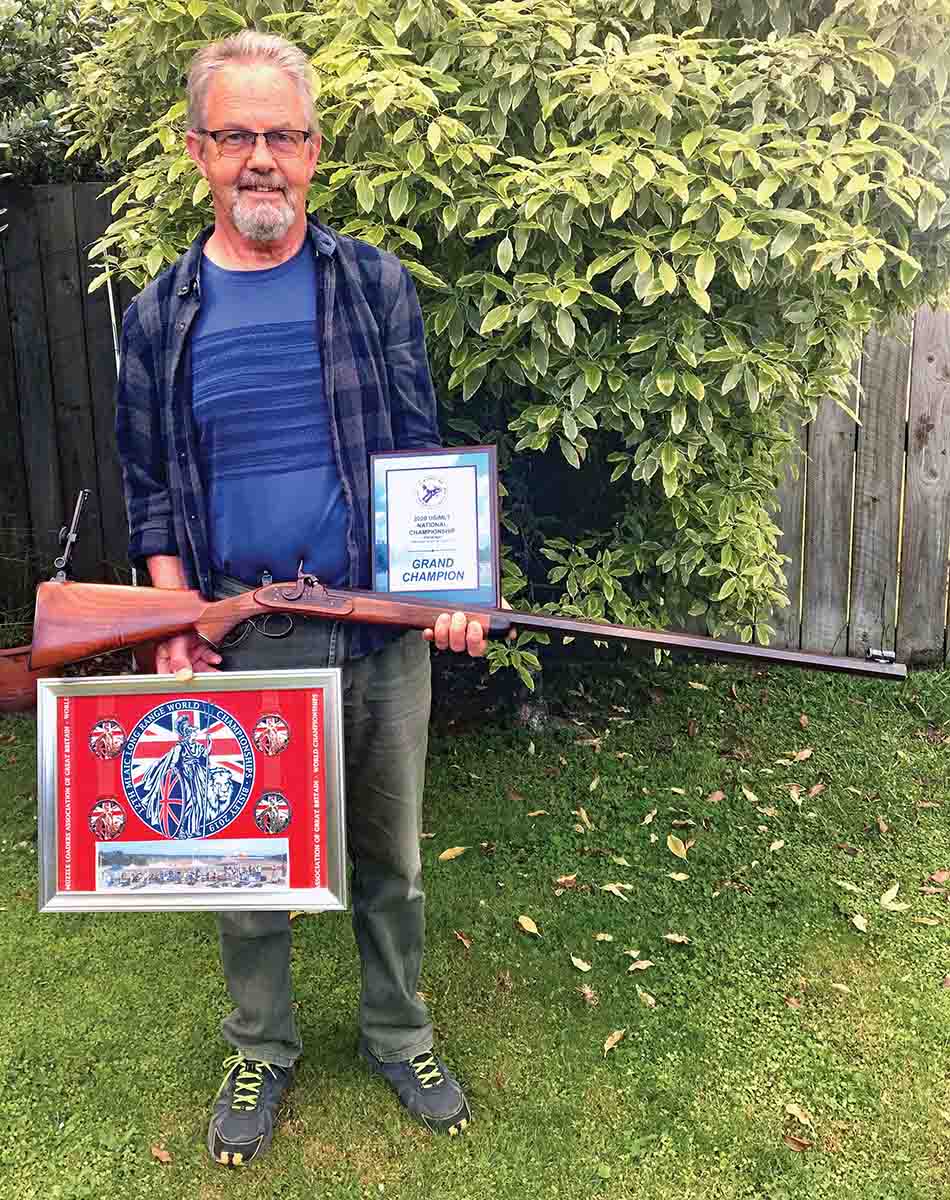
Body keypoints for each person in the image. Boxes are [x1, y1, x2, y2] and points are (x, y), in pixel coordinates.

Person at [115, 30, 491, 1165]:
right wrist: (176, 616)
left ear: (317, 152)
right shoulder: (159, 312)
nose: (262, 158)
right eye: (238, 135)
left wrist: (453, 591)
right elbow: (147, 489)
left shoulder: (372, 284)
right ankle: (261, 1046)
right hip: (240, 636)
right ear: (199, 153)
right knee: (244, 869)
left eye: (283, 135)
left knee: (391, 857)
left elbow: (423, 456)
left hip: (375, 631)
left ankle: (398, 1030)